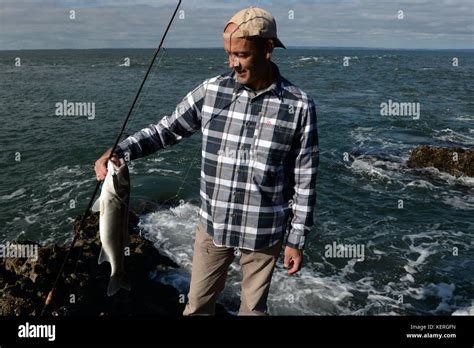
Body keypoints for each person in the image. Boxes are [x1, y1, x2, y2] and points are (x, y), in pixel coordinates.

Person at [95, 7, 319, 316]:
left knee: (254, 310)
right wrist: (120, 150)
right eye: (228, 54)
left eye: (241, 54)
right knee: (197, 305)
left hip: (264, 229)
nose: (232, 63)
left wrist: (296, 239)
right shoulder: (211, 91)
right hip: (214, 224)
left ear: (267, 49)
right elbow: (165, 131)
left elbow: (305, 179)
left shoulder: (299, 105)